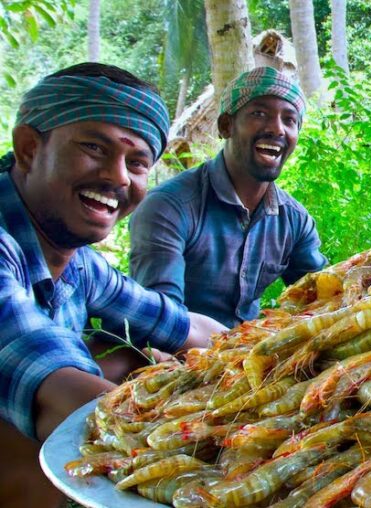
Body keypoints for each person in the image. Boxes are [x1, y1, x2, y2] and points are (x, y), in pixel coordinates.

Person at [0, 63, 225, 507]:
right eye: (94, 148)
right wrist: (224, 450)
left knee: (136, 360)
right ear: (28, 148)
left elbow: (179, 324)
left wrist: (279, 349)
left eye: (137, 163)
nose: (119, 177)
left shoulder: (77, 263)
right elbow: (54, 386)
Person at [129, 67, 327, 328]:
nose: (277, 129)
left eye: (289, 120)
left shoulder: (294, 220)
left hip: (247, 347)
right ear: (226, 126)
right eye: (259, 114)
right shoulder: (169, 206)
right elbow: (161, 318)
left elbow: (322, 298)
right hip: (174, 348)